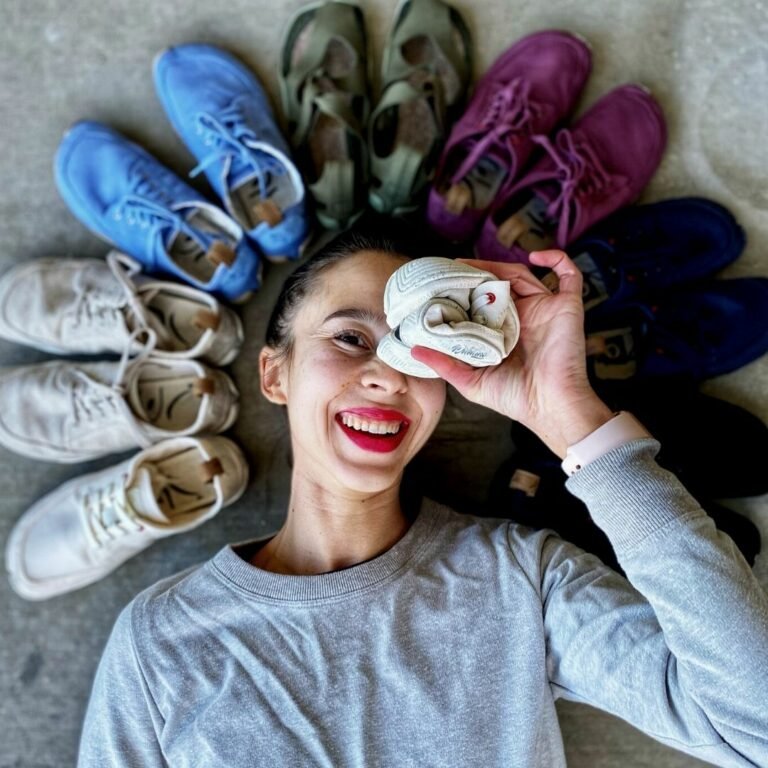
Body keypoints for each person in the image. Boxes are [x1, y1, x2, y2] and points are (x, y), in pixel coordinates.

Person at [78, 230, 768, 767]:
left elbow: (753, 726)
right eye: (350, 338)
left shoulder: (520, 582)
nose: (385, 374)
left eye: (418, 348)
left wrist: (572, 416)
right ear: (275, 372)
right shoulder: (160, 641)